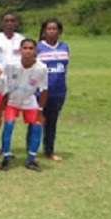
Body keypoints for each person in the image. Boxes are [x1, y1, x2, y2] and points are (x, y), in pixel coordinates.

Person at [0, 39, 48, 171]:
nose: (28, 51)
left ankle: (31, 158)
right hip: (12, 101)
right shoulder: (11, 65)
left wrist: (40, 110)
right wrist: (0, 110)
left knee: (37, 126)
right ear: (20, 50)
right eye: (25, 48)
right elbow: (5, 86)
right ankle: (6, 157)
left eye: (31, 48)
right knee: (8, 126)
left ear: (35, 51)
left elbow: (44, 90)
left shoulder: (41, 68)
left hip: (29, 101)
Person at [0, 11, 25, 156]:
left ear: (16, 23)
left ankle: (6, 146)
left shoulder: (21, 39)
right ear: (1, 23)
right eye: (6, 20)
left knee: (10, 116)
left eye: (12, 20)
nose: (9, 23)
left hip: (15, 84)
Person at [37, 18, 69, 161]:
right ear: (44, 31)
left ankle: (49, 150)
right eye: (49, 29)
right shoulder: (38, 47)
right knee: (37, 122)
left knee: (52, 122)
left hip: (59, 91)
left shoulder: (64, 46)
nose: (52, 31)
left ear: (59, 31)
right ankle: (32, 152)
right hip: (41, 92)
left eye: (54, 29)